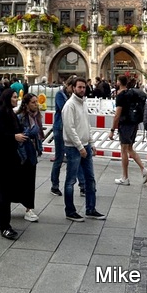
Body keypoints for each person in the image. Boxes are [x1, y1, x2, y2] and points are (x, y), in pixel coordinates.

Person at [61, 77, 106, 222]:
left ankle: (90, 209)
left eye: (84, 87)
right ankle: (70, 211)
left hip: (85, 145)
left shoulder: (83, 103)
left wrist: (91, 143)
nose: (82, 90)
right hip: (73, 147)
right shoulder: (70, 105)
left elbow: (87, 125)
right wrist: (80, 147)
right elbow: (69, 128)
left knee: (90, 179)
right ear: (73, 88)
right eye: (79, 87)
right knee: (71, 180)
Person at [0, 88, 26, 239]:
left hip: (10, 156)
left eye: (17, 97)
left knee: (3, 188)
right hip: (1, 157)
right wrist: (14, 137)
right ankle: (5, 225)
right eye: (14, 97)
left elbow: (16, 129)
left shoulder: (11, 113)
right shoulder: (0, 113)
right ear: (7, 98)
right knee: (5, 190)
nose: (16, 99)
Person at [109, 75, 147, 185]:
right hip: (134, 123)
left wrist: (112, 130)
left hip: (125, 124)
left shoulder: (121, 96)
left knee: (124, 150)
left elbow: (117, 115)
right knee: (130, 148)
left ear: (119, 82)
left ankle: (125, 177)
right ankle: (144, 169)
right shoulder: (132, 93)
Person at [17, 93, 44, 222]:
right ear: (26, 104)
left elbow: (39, 133)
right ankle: (26, 208)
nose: (36, 104)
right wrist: (30, 132)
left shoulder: (36, 116)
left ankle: (29, 208)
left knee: (30, 180)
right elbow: (20, 134)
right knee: (21, 180)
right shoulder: (21, 117)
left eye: (36, 102)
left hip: (32, 151)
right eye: (33, 102)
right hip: (23, 152)